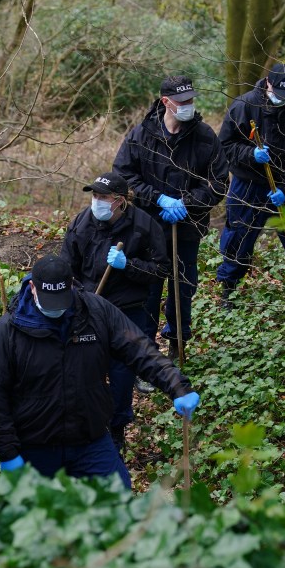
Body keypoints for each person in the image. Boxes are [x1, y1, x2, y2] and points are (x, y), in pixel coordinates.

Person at [0, 255, 200, 489]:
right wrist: (7, 452)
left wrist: (177, 385)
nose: (57, 309)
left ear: (71, 285)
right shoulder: (7, 331)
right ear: (32, 287)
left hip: (88, 438)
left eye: (61, 300)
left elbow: (139, 349)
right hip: (35, 444)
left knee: (118, 497)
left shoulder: (96, 312)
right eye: (49, 300)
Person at [113, 75, 228, 360]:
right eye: (182, 101)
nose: (189, 105)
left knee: (183, 288)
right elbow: (124, 175)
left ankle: (178, 340)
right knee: (148, 292)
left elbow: (218, 182)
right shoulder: (141, 135)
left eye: (191, 100)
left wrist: (186, 204)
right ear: (166, 102)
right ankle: (147, 352)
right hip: (147, 228)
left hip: (187, 228)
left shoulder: (204, 136)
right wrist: (157, 198)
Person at [59, 171, 171, 449]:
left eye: (103, 197)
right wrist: (76, 297)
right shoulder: (82, 224)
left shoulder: (144, 227)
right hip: (89, 306)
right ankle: (89, 422)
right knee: (87, 369)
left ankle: (118, 426)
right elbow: (67, 266)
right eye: (94, 195)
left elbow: (161, 270)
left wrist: (129, 265)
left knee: (122, 373)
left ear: (120, 201)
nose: (96, 201)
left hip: (126, 310)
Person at [216, 62, 285, 305]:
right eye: (279, 94)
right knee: (238, 236)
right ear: (268, 84)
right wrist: (250, 154)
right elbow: (225, 146)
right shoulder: (244, 106)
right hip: (248, 185)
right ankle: (229, 291)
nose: (284, 100)